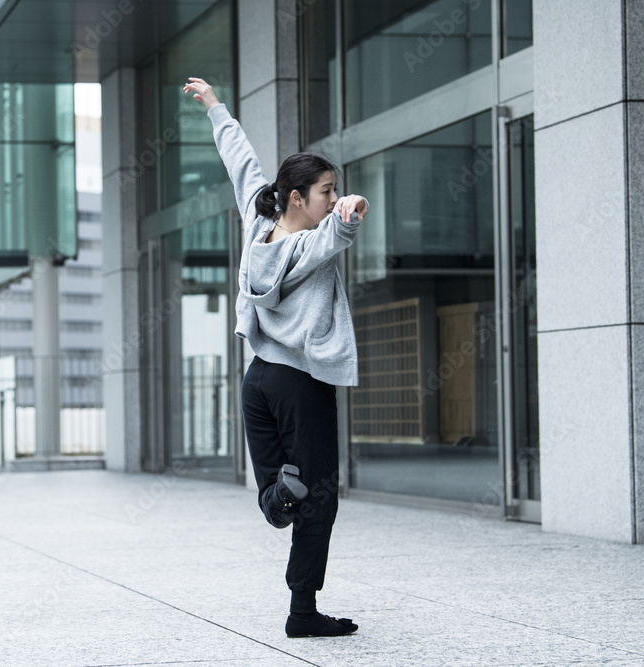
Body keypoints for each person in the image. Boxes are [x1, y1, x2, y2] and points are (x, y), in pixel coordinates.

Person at [184, 77, 367, 638]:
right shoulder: (310, 243)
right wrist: (351, 213)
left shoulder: (258, 224)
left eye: (337, 191)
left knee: (279, 490)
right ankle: (302, 614)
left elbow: (241, 163)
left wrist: (215, 107)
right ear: (298, 197)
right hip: (301, 384)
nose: (333, 198)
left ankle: (274, 499)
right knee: (319, 500)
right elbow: (336, 231)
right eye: (327, 190)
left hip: (257, 381)